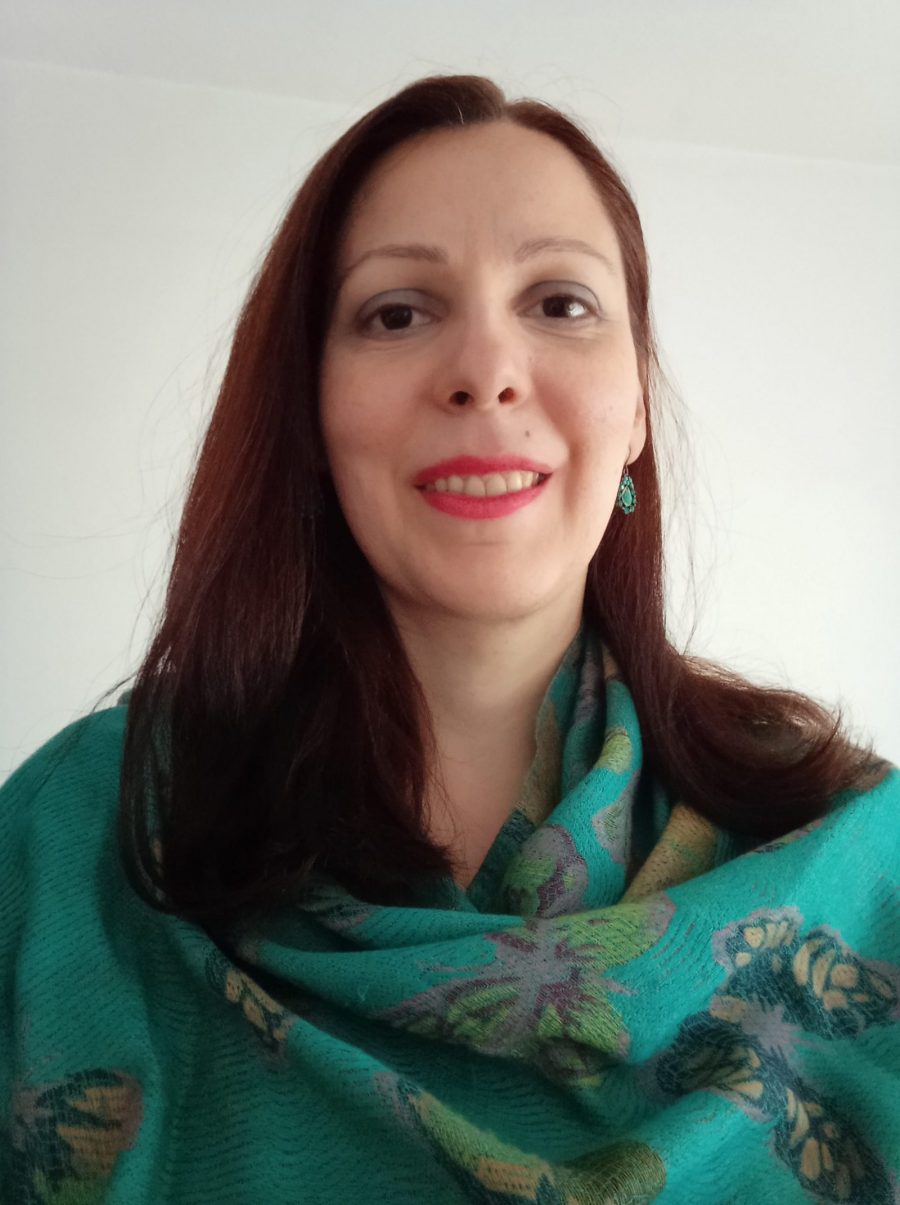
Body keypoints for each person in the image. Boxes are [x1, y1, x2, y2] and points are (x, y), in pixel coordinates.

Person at [1, 74, 897, 1205]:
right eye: (397, 313)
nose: (486, 370)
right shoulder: (71, 841)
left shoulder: (862, 854)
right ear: (311, 407)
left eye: (560, 302)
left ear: (634, 407)